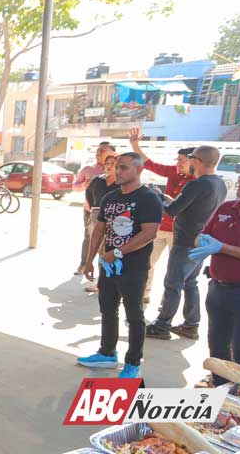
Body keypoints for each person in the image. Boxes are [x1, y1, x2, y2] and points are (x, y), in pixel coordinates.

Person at [78, 152, 162, 379]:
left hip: (133, 267)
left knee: (134, 315)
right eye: (117, 167)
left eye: (124, 167)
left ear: (139, 170)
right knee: (107, 309)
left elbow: (149, 233)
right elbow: (99, 230)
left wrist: (117, 252)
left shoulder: (148, 198)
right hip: (108, 265)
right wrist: (90, 260)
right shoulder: (111, 198)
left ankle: (133, 363)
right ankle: (107, 353)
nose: (119, 171)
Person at [146, 146, 227, 341]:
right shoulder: (219, 184)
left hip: (185, 241)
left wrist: (157, 196)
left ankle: (162, 325)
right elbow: (190, 206)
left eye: (191, 159)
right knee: (190, 283)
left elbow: (172, 210)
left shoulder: (196, 184)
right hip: (200, 241)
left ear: (197, 161)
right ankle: (191, 324)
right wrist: (167, 198)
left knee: (173, 283)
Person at [190, 165, 240, 384]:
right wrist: (201, 242)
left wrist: (223, 248)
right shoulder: (227, 207)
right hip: (218, 289)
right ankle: (220, 396)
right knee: (217, 349)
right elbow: (202, 236)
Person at [127, 129, 196, 304]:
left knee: (174, 271)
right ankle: (143, 295)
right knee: (147, 263)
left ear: (192, 161)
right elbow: (150, 164)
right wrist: (135, 145)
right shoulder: (174, 172)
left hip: (179, 232)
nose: (177, 163)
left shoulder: (198, 182)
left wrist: (164, 197)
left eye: (180, 160)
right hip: (160, 228)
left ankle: (167, 304)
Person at [73, 143, 116, 276]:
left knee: (106, 246)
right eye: (98, 151)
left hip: (112, 217)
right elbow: (78, 188)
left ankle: (102, 276)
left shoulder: (121, 174)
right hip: (91, 212)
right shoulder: (88, 169)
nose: (99, 153)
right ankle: (84, 264)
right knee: (89, 239)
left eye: (103, 151)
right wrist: (93, 209)